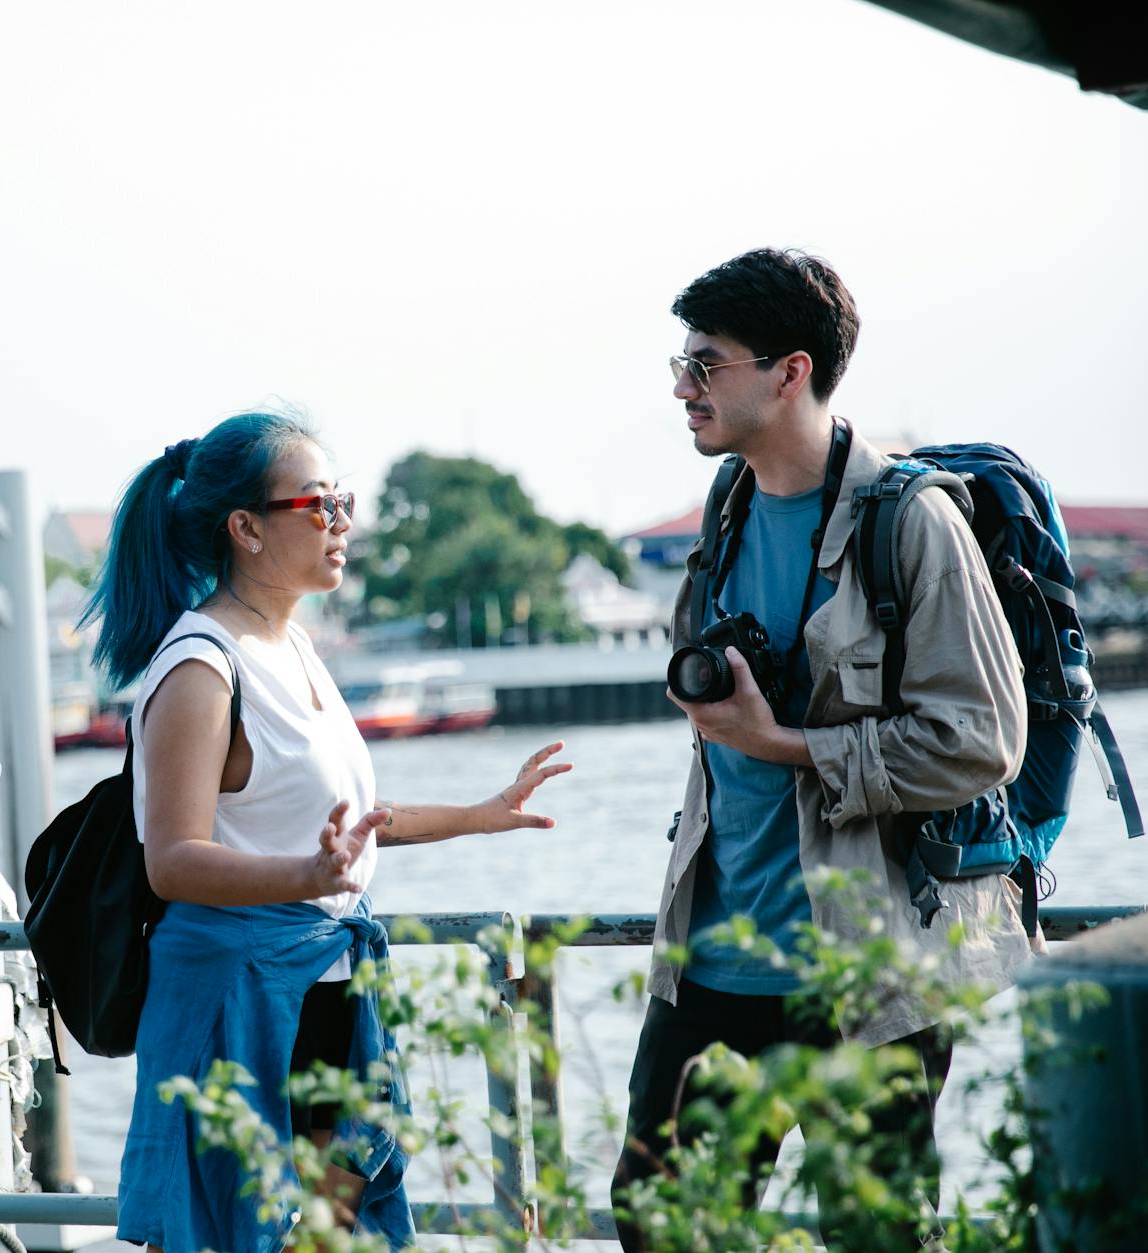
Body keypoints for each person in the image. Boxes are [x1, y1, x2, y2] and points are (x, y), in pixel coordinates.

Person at [610, 249, 1034, 1250]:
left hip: (863, 974)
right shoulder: (725, 506)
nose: (681, 386)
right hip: (711, 959)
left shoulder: (911, 521)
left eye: (706, 364)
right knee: (657, 1225)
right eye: (680, 362)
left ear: (788, 371)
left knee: (873, 1235)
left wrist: (786, 741)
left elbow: (982, 739)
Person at [86, 411, 573, 1253]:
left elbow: (344, 830)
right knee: (226, 1232)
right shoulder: (201, 665)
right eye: (320, 504)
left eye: (344, 500)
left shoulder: (294, 645)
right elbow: (172, 861)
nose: (343, 522)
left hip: (327, 977)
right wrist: (307, 877)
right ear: (245, 528)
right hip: (234, 992)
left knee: (325, 1234)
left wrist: (482, 814)